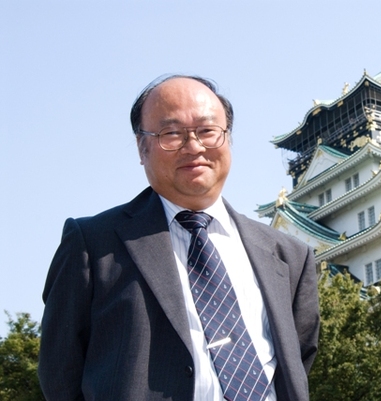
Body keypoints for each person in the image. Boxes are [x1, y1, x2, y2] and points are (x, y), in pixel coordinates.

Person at [38, 75, 320, 401]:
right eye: (171, 133)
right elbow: (60, 374)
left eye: (207, 131)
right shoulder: (91, 244)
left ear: (227, 138)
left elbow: (297, 357)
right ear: (142, 148)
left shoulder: (289, 255)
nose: (195, 147)